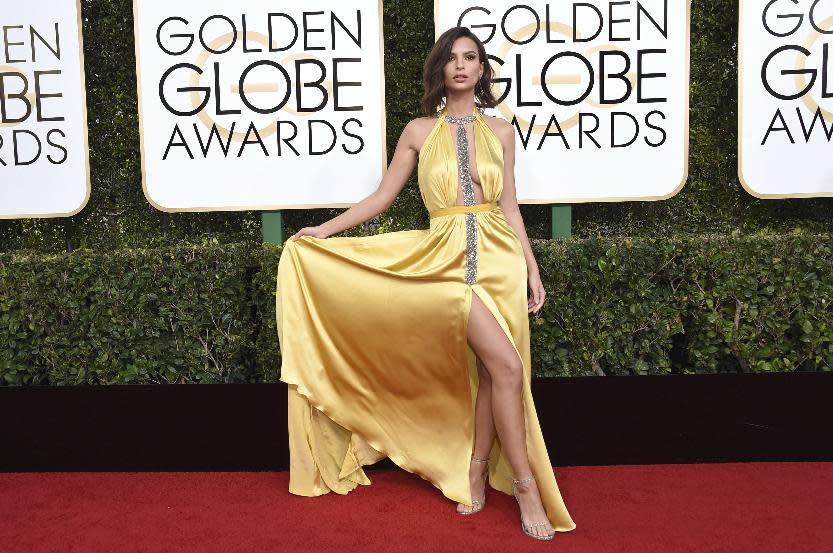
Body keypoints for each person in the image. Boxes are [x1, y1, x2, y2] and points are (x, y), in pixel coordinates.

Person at [275, 26, 576, 540]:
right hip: (444, 258)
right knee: (506, 366)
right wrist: (322, 230)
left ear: (482, 70)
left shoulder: (502, 131)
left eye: (471, 58)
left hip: (500, 257)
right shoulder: (418, 131)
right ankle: (526, 485)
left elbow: (508, 205)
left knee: (494, 369)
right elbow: (382, 197)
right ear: (440, 70)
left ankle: (477, 469)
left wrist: (531, 265)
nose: (460, 66)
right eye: (451, 59)